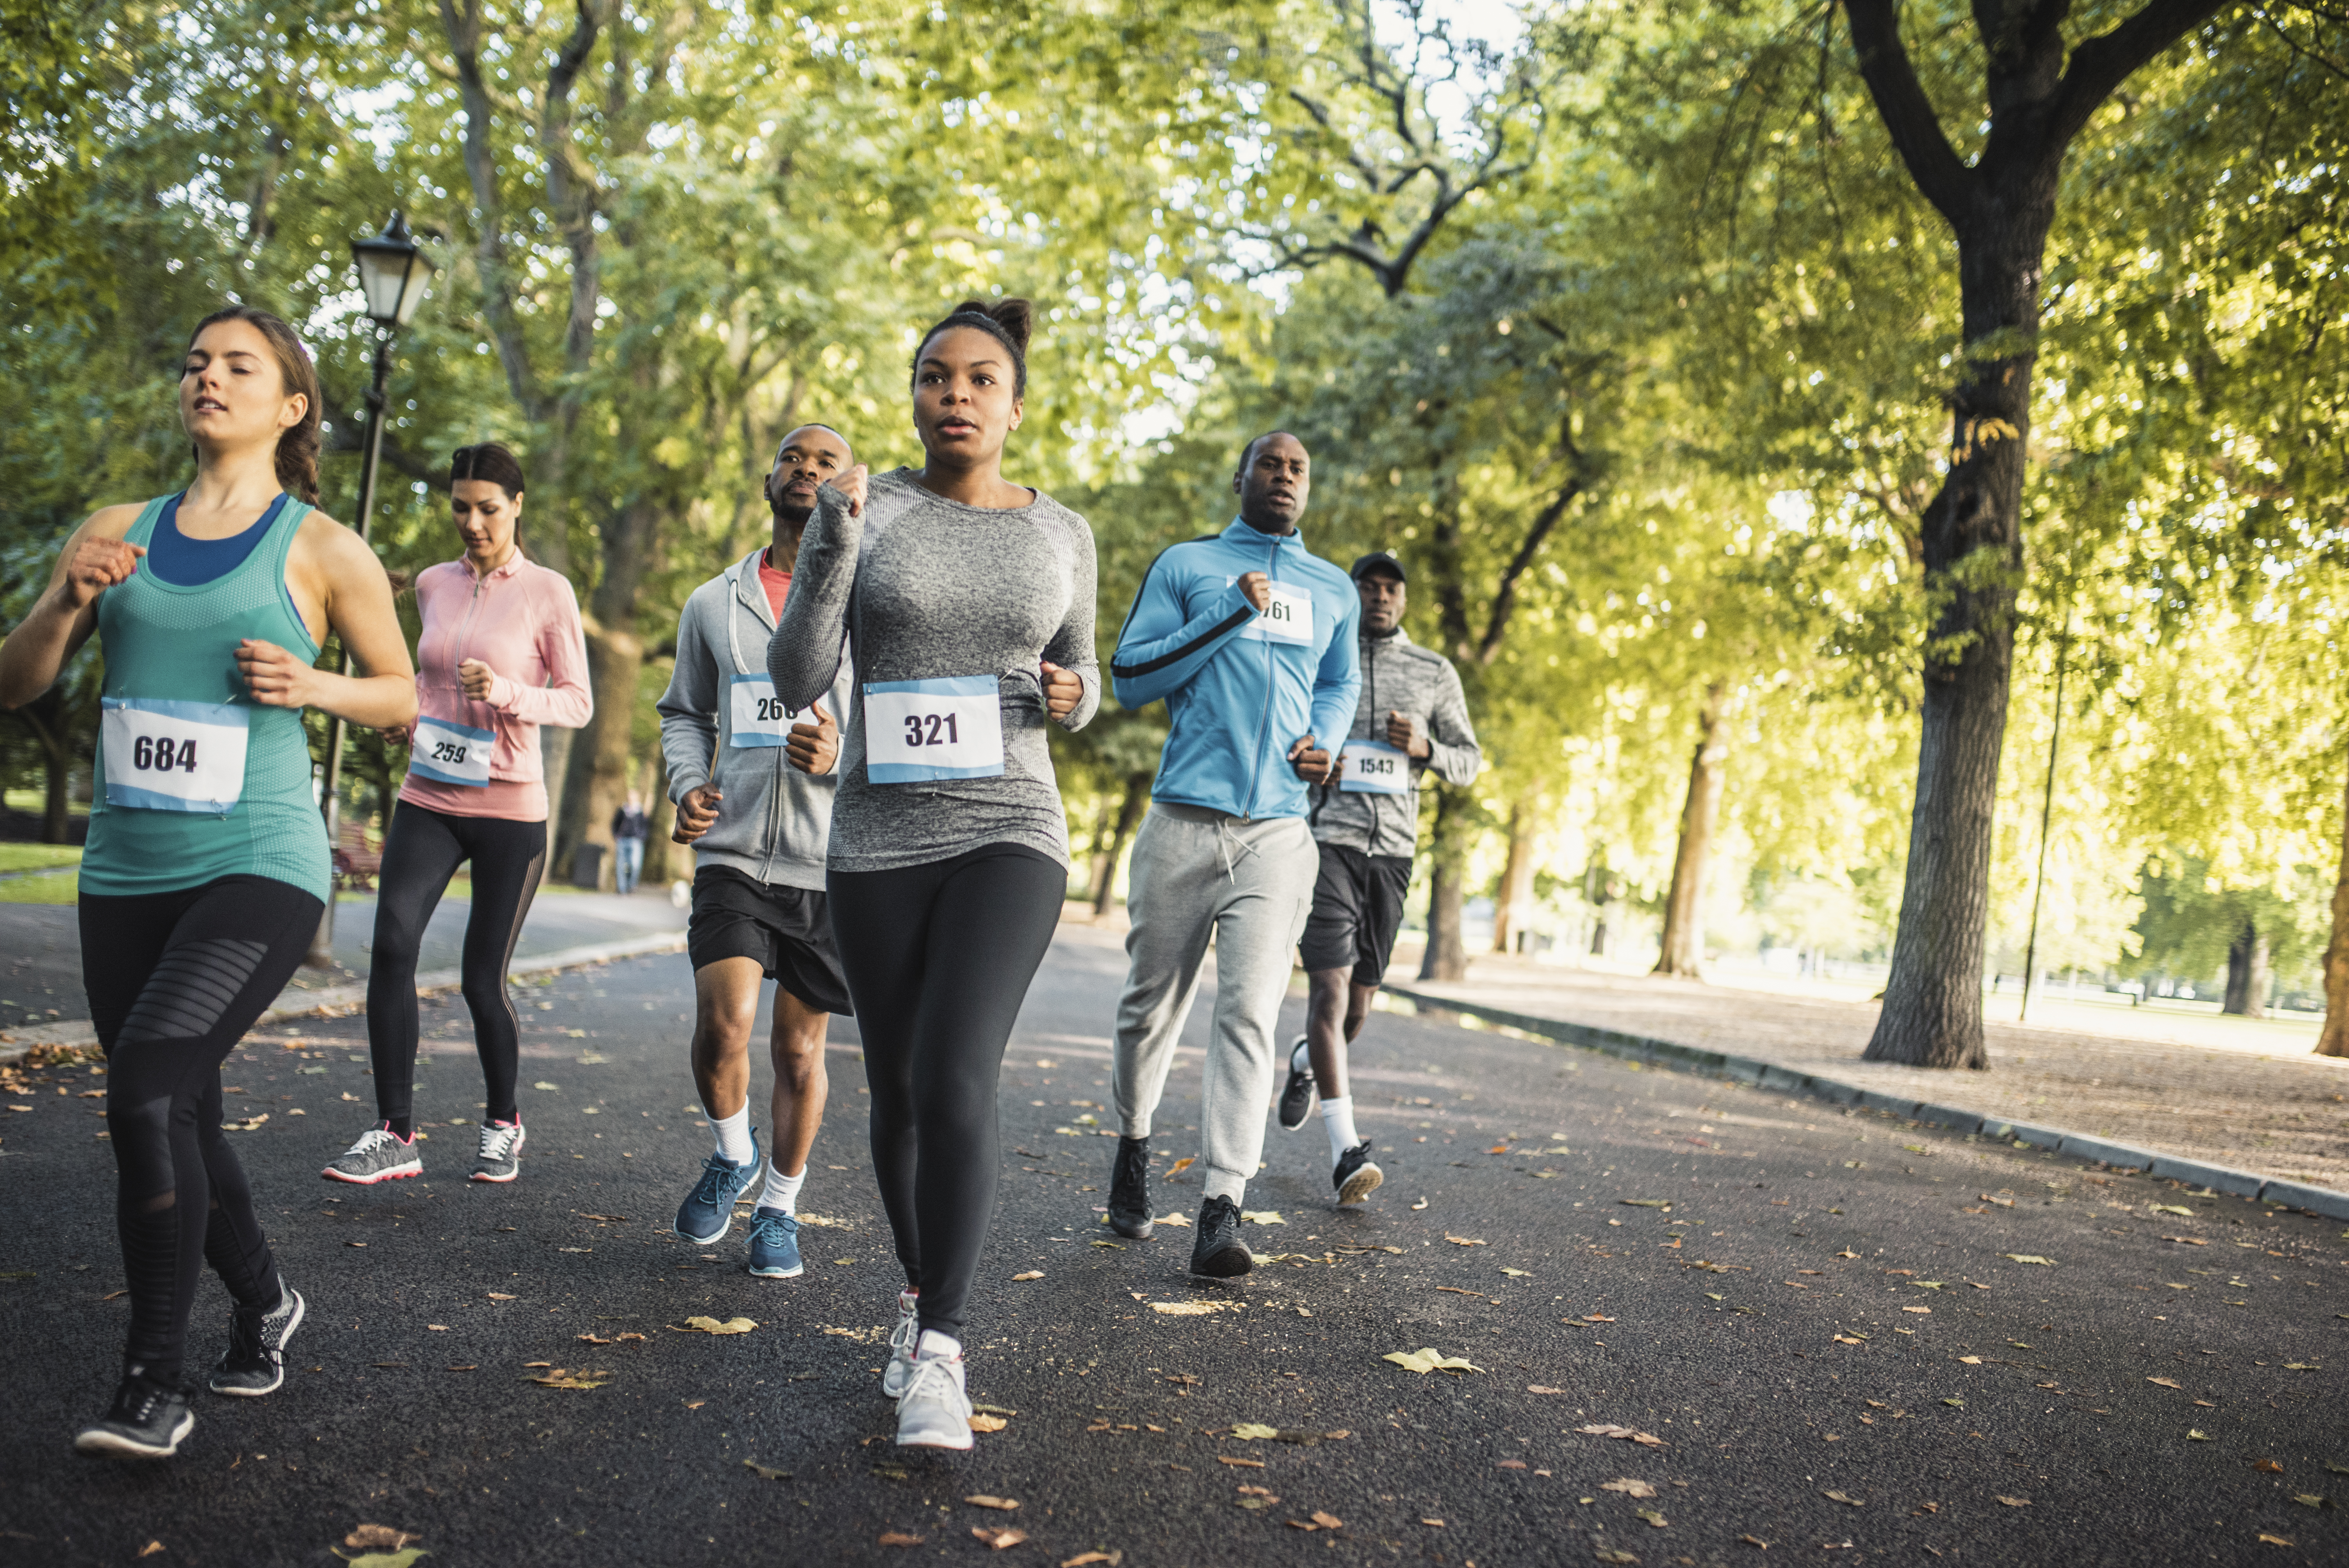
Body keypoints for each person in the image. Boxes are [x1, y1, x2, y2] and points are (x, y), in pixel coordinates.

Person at [0, 305, 417, 1458]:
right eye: (195, 362)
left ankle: (153, 1381)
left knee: (140, 1094)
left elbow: (404, 698)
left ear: (291, 407)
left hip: (262, 866)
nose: (208, 378)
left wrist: (313, 684)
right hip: (126, 869)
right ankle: (268, 1298)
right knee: (180, 1108)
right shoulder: (114, 530)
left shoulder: (322, 547)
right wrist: (63, 601)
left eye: (240, 365)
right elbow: (17, 682)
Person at [768, 299, 1097, 1450]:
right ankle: (917, 1299)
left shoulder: (1063, 531)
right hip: (876, 838)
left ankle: (944, 1352)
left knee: (957, 1071)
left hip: (1012, 825)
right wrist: (832, 542)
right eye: (933, 377)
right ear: (915, 395)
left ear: (1014, 404)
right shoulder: (867, 507)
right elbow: (800, 668)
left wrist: (1073, 696)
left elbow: (1080, 674)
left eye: (978, 379)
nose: (954, 394)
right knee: (901, 1091)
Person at [1100, 432, 1359, 1278]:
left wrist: (1324, 740)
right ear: (1240, 477)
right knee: (1150, 1006)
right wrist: (1230, 610)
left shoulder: (1331, 590)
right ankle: (1133, 1144)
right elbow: (1130, 676)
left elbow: (1337, 682)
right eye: (1270, 465)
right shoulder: (1186, 564)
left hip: (1279, 831)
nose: (1284, 478)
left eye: (1298, 469)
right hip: (1182, 819)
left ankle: (1221, 1203)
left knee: (1249, 1012)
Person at [324, 443, 592, 1187]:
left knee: (482, 979)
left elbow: (577, 701)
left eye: (488, 509)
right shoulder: (435, 585)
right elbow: (423, 674)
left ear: (517, 507)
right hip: (430, 794)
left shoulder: (549, 591)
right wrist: (406, 712)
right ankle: (394, 1132)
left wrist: (507, 691)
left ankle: (504, 1121)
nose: (472, 523)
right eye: (460, 509)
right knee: (390, 947)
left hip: (510, 809)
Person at [658, 422, 859, 1280]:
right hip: (734, 851)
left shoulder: (865, 603)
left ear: (842, 493)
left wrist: (840, 753)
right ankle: (730, 1152)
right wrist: (685, 784)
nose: (806, 471)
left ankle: (778, 1208)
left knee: (799, 1052)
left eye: (825, 463)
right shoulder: (713, 601)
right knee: (723, 1026)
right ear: (770, 478)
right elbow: (682, 714)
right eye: (793, 458)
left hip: (826, 862)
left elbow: (901, 724)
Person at [1277, 551, 1479, 1203]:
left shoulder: (1432, 672)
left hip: (1392, 855)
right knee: (1329, 997)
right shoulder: (1321, 656)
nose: (1380, 596)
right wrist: (1313, 760)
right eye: (1369, 585)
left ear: (1404, 599)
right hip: (1327, 842)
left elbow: (1470, 761)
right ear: (1354, 592)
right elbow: (1284, 735)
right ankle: (1346, 1150)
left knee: (1357, 1007)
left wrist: (1425, 750)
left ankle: (1308, 1060)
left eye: (1392, 586)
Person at [611, 792, 650, 894]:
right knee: (621, 865)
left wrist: (642, 837)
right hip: (622, 840)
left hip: (636, 841)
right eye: (629, 797)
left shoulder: (641, 813)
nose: (631, 799)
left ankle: (631, 885)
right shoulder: (622, 811)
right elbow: (615, 824)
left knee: (635, 865)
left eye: (633, 797)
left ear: (637, 798)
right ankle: (622, 889)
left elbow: (645, 827)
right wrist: (616, 835)